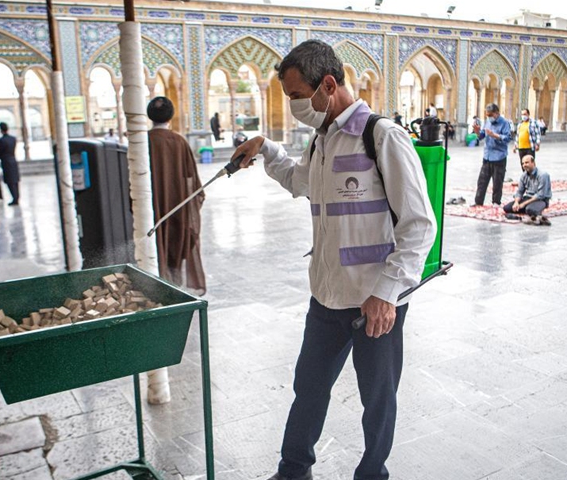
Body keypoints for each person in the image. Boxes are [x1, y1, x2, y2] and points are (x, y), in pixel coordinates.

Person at [232, 39, 436, 480]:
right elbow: (300, 181)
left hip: (374, 303)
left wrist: (387, 293)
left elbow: (419, 225)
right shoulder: (322, 140)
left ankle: (372, 474)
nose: (293, 107)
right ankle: (293, 471)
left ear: (328, 84)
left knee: (377, 399)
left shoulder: (380, 136)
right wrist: (266, 148)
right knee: (308, 390)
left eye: (296, 97)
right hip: (326, 297)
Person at [147, 96, 207, 295]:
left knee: (152, 255)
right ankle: (174, 293)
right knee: (173, 255)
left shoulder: (141, 142)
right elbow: (195, 186)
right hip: (177, 213)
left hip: (149, 213)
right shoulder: (179, 142)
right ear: (171, 116)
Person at [474, 103, 511, 206]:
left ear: (497, 113)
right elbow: (482, 136)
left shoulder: (505, 123)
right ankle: (478, 202)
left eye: (491, 115)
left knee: (497, 183)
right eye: (487, 115)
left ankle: (496, 202)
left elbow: (508, 138)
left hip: (499, 157)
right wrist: (477, 132)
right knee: (482, 181)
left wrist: (495, 135)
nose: (489, 117)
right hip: (487, 156)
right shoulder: (487, 122)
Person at [503, 155, 551, 225]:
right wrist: (516, 202)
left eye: (526, 162)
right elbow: (520, 191)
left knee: (530, 210)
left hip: (540, 200)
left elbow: (540, 195)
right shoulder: (524, 175)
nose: (524, 165)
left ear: (533, 163)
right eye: (523, 163)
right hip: (527, 198)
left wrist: (523, 204)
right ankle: (526, 211)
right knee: (507, 208)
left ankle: (530, 212)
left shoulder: (543, 175)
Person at [0, 122, 20, 206]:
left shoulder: (1, 140)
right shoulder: (13, 138)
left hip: (6, 161)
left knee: (10, 180)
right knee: (15, 180)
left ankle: (14, 198)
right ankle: (16, 197)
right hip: (13, 160)